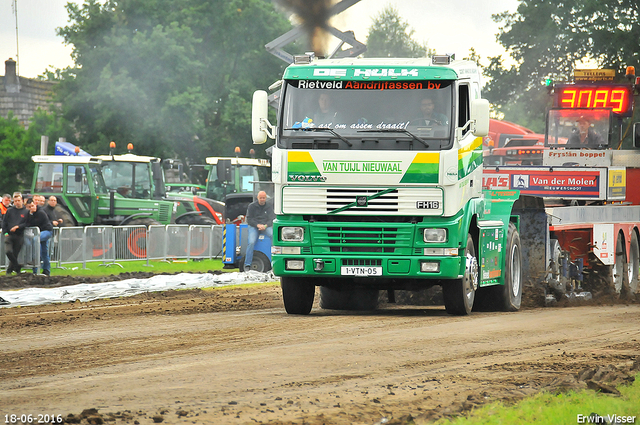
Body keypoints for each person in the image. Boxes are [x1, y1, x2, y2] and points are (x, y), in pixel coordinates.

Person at [243, 191, 275, 272]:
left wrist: (265, 226)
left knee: (274, 237)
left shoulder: (269, 207)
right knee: (251, 242)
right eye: (260, 198)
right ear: (257, 198)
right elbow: (249, 219)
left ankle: (274, 263)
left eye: (263, 198)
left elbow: (272, 219)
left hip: (265, 227)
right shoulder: (252, 206)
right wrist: (257, 225)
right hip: (254, 226)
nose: (262, 199)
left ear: (266, 198)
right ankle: (247, 264)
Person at [25, 198, 54, 275]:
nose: (31, 208)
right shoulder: (30, 213)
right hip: (40, 232)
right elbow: (28, 223)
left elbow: (34, 223)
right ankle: (45, 270)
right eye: (29, 207)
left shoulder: (41, 212)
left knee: (36, 240)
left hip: (47, 231)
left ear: (35, 204)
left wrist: (31, 215)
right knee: (44, 251)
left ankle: (39, 266)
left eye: (32, 206)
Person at [2, 192, 28, 275]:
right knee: (8, 251)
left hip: (19, 235)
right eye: (15, 201)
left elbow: (26, 223)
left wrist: (18, 227)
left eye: (18, 200)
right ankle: (17, 267)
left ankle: (9, 272)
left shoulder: (26, 211)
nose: (17, 202)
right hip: (9, 235)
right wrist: (5, 232)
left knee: (15, 254)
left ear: (22, 201)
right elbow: (4, 222)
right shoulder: (9, 211)